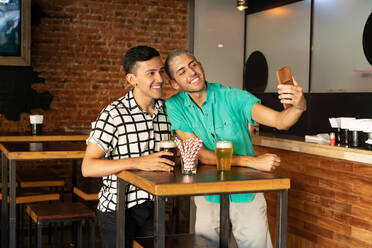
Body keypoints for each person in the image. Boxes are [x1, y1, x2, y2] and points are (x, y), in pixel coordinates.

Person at [164, 50, 306, 248]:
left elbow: (281, 121)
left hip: (247, 190)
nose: (192, 72)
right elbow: (201, 155)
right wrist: (252, 161)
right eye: (182, 71)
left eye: (193, 64)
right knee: (206, 246)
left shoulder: (233, 97)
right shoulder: (174, 106)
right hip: (207, 192)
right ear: (174, 83)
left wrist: (298, 106)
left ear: (201, 65)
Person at [82, 46, 175, 248]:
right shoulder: (113, 114)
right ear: (132, 79)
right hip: (117, 209)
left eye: (161, 71)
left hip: (155, 204)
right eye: (151, 73)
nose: (159, 78)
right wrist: (139, 162)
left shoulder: (167, 111)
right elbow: (88, 167)